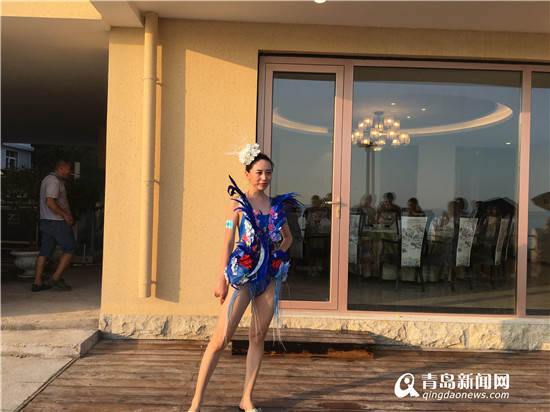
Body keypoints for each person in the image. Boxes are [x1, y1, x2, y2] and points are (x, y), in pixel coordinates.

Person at [188, 144, 300, 412]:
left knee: (258, 337)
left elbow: (288, 238)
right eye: (259, 172)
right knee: (221, 339)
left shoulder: (275, 206)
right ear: (247, 173)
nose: (264, 177)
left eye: (269, 172)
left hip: (268, 278)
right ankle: (196, 402)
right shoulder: (237, 203)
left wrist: (277, 255)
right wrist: (221, 279)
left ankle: (246, 398)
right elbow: (228, 242)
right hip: (242, 275)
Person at [32, 159, 76, 292]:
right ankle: (56, 277)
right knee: (70, 248)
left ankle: (37, 282)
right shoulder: (54, 181)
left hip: (46, 221)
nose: (70, 172)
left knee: (44, 251)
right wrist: (66, 215)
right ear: (61, 168)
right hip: (56, 221)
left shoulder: (47, 179)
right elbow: (50, 202)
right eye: (69, 169)